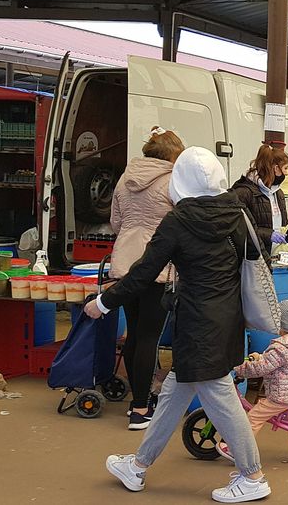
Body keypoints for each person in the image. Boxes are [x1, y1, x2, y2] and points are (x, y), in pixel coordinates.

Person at [92, 147, 271, 502]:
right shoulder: (236, 213)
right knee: (174, 390)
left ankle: (253, 477)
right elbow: (255, 258)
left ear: (180, 181)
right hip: (227, 319)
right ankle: (138, 466)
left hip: (196, 323)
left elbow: (143, 272)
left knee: (223, 400)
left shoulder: (177, 221)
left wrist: (103, 302)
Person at [109, 126, 184, 430]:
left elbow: (116, 221)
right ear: (173, 154)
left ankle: (136, 401)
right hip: (155, 265)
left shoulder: (125, 180)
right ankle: (142, 407)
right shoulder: (171, 182)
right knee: (150, 336)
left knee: (135, 332)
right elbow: (182, 222)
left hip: (125, 263)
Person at [217, 300, 288, 462]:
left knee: (254, 416)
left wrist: (239, 367)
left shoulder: (280, 348)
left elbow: (261, 369)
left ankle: (238, 451)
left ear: (280, 323)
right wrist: (260, 357)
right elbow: (276, 364)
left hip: (282, 396)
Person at [231, 144, 288, 253]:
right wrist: (269, 235)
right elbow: (238, 229)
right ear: (275, 168)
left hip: (274, 255)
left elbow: (281, 225)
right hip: (254, 258)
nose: (286, 173)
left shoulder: (278, 193)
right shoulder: (244, 192)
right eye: (285, 168)